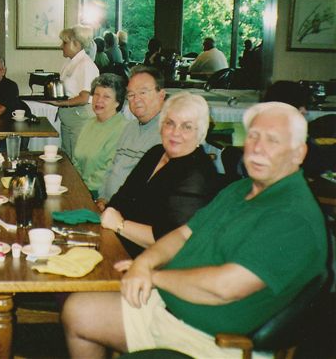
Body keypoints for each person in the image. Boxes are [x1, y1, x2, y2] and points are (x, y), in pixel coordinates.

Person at [62, 101, 327, 359]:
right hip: (166, 309)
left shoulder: (292, 217)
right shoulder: (241, 189)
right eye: (254, 136)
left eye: (273, 140)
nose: (258, 148)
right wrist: (144, 264)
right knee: (77, 310)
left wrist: (153, 277)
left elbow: (225, 287)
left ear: (298, 153)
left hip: (209, 342)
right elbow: (184, 233)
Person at [100, 92, 219, 258]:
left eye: (187, 126)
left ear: (200, 132)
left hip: (152, 263)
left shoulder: (198, 175)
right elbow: (122, 196)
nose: (175, 133)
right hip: (118, 243)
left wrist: (120, 225)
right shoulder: (155, 153)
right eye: (170, 123)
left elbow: (171, 240)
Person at [95, 65, 166, 210]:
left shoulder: (169, 134)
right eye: (131, 95)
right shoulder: (129, 128)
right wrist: (102, 197)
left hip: (131, 215)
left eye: (143, 92)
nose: (136, 99)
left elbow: (154, 192)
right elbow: (112, 168)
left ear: (161, 95)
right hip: (107, 206)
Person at [49, 25, 100, 160]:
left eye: (64, 42)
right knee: (67, 157)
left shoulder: (86, 65)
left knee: (78, 160)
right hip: (68, 117)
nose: (61, 46)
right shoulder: (69, 62)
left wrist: (62, 103)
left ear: (76, 44)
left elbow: (84, 97)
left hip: (80, 118)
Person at [72, 74, 128, 198]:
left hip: (101, 194)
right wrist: (75, 184)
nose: (99, 100)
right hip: (81, 188)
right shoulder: (89, 123)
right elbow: (76, 159)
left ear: (117, 102)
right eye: (96, 94)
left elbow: (108, 171)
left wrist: (83, 190)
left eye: (106, 96)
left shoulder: (122, 129)